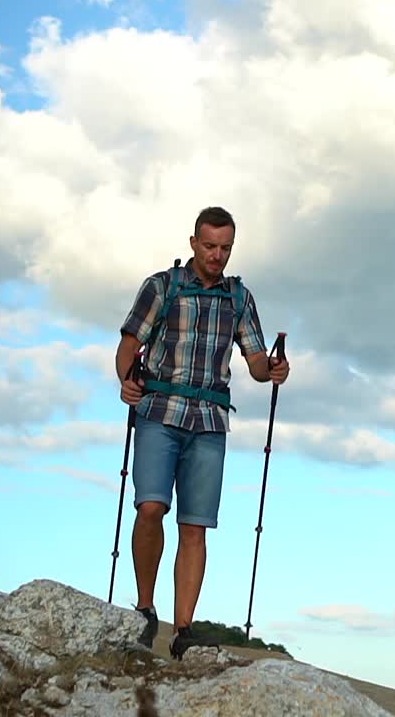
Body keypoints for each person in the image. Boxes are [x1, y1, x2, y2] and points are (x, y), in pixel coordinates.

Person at [115, 206, 290, 660]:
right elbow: (131, 343)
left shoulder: (238, 298)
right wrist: (126, 380)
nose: (217, 256)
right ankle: (146, 610)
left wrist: (271, 369)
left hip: (210, 420)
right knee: (150, 506)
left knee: (196, 525)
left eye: (226, 248)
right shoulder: (162, 286)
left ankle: (184, 629)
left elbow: (253, 361)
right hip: (159, 408)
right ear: (193, 242)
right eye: (210, 246)